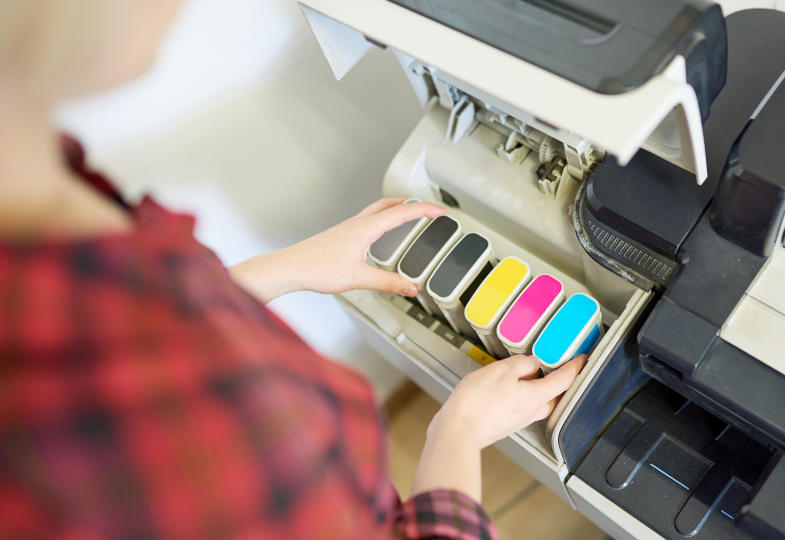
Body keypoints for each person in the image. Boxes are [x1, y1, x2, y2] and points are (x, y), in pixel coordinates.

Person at [0, 1, 588, 538]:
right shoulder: (173, 418)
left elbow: (126, 309)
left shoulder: (41, 194)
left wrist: (284, 269)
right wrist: (458, 430)